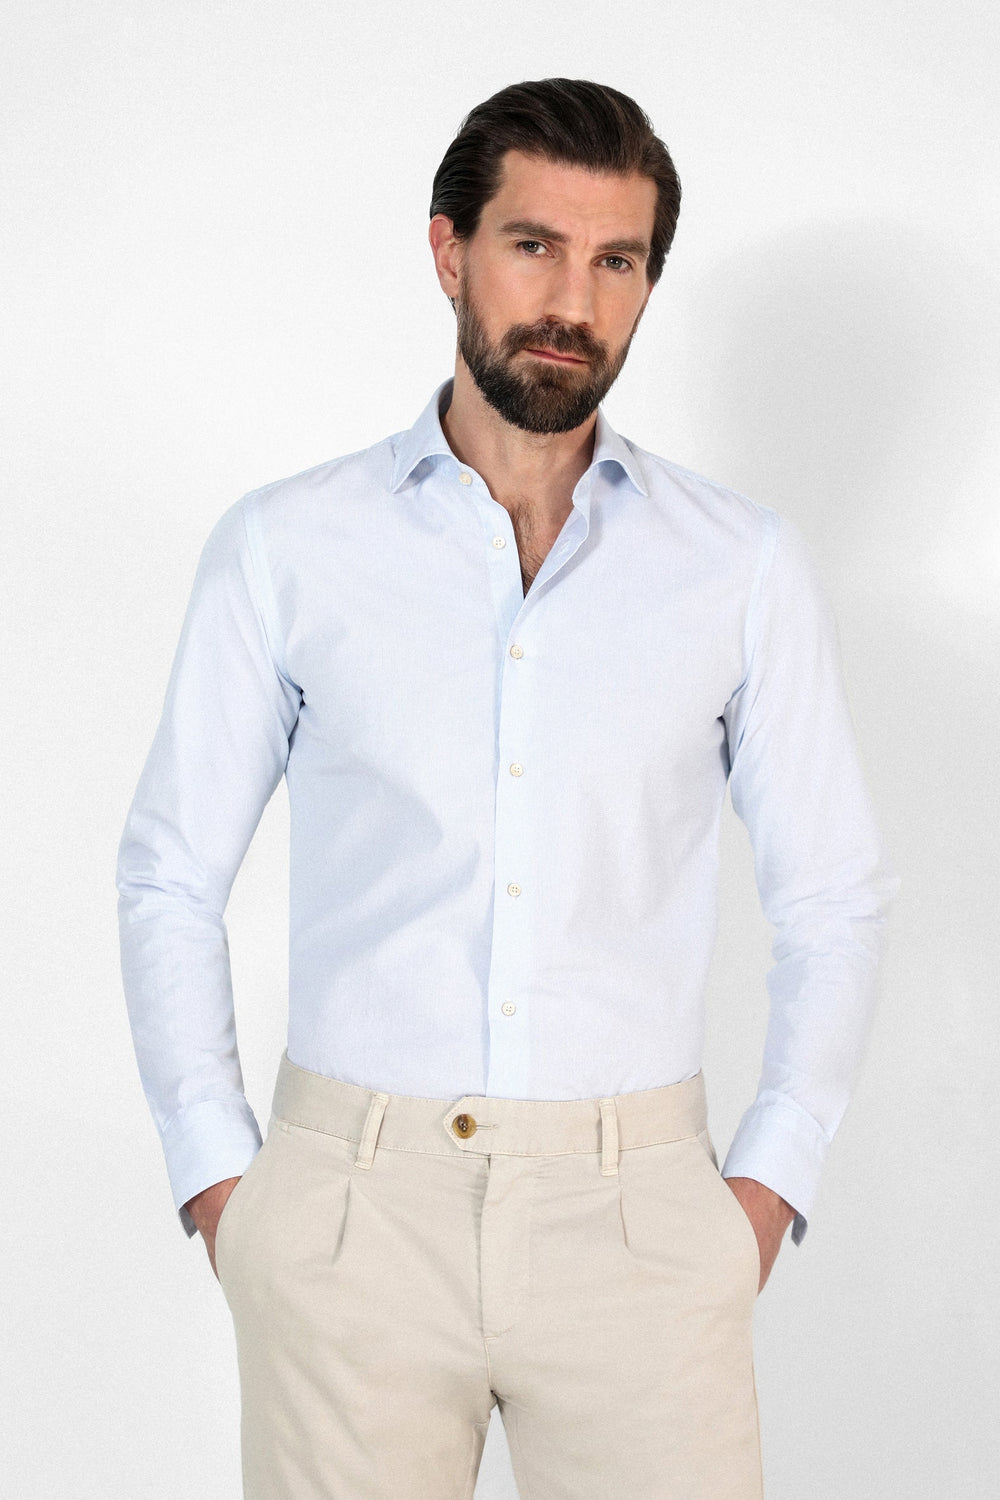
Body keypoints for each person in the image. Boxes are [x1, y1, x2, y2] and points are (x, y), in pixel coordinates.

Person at [116, 77, 896, 1499]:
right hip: (349, 1218)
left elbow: (833, 899)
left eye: (617, 261)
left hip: (642, 1226)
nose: (573, 303)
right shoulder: (288, 548)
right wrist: (223, 1185)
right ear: (449, 251)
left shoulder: (740, 568)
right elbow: (170, 870)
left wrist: (763, 1191)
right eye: (534, 246)